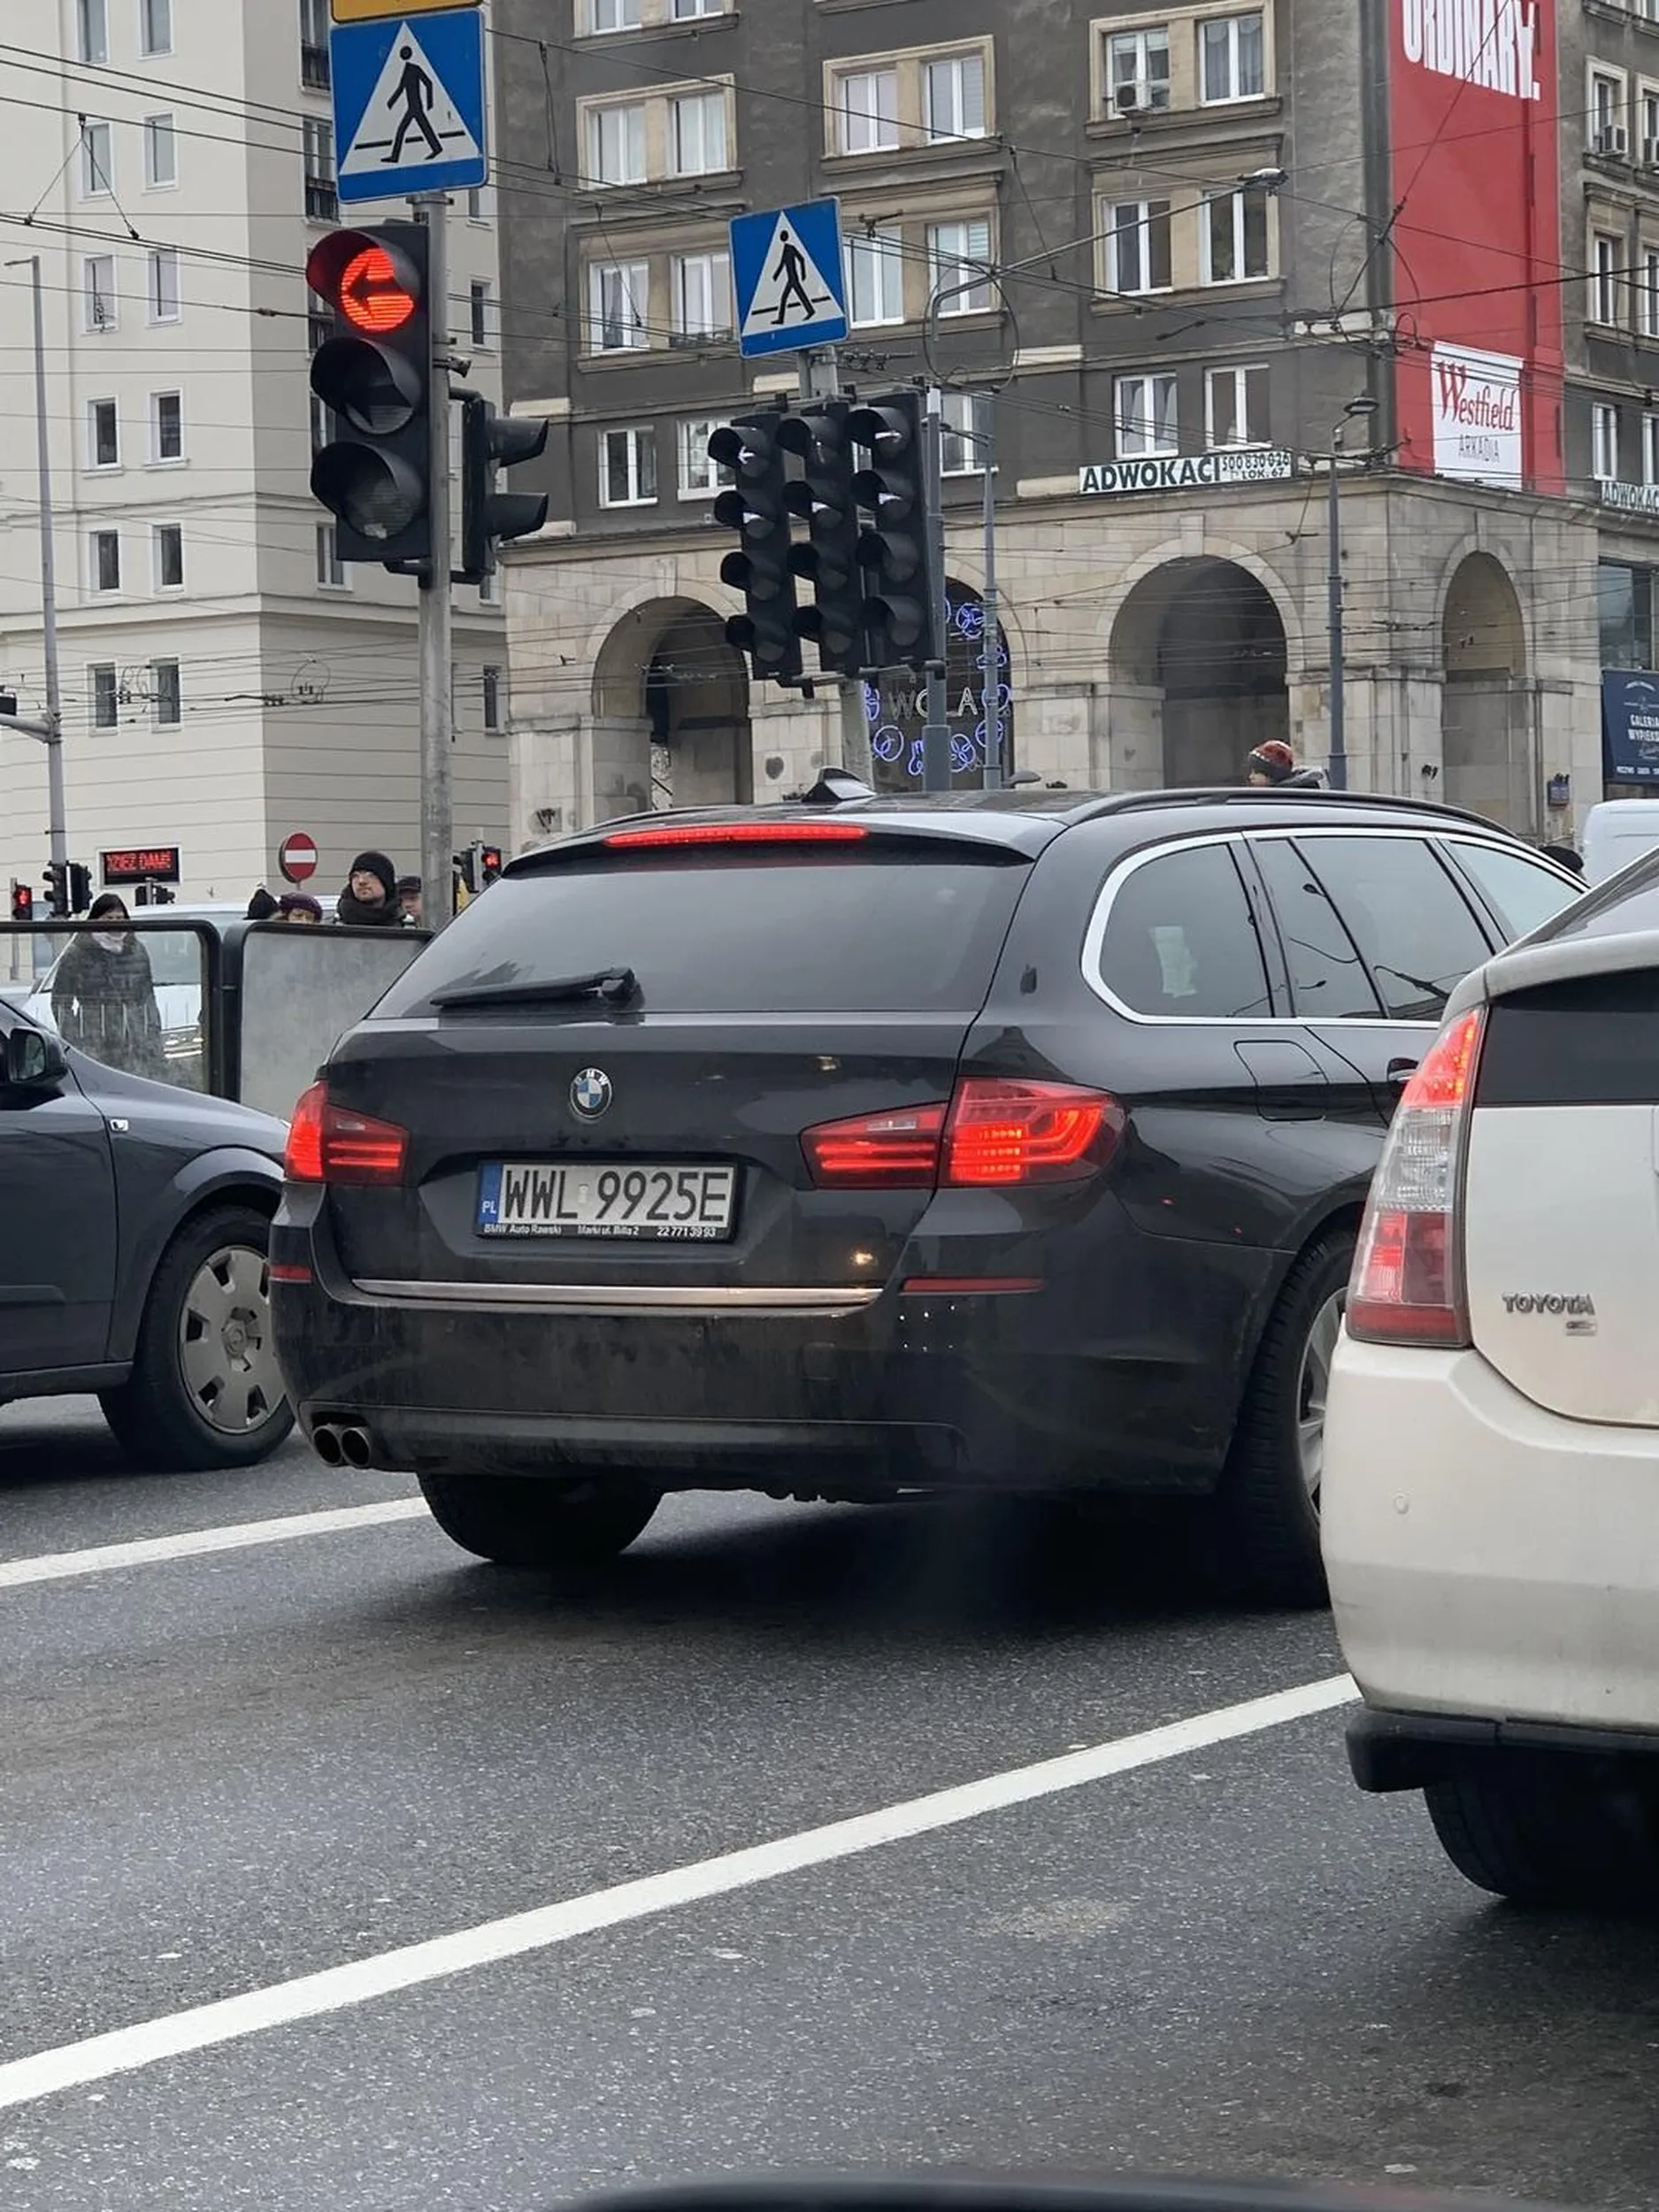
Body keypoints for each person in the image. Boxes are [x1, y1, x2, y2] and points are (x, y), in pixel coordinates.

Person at [49, 895, 165, 1079]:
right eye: (109, 919)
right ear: (96, 920)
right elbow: (60, 1001)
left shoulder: (138, 950)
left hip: (133, 1040)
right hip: (93, 1039)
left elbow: (148, 997)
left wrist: (152, 1035)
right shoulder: (77, 953)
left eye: (120, 919)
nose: (115, 925)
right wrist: (73, 1040)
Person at [334, 851, 403, 929]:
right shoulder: (333, 929)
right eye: (355, 876)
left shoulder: (407, 927)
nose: (361, 881)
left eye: (371, 875)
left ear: (386, 883)